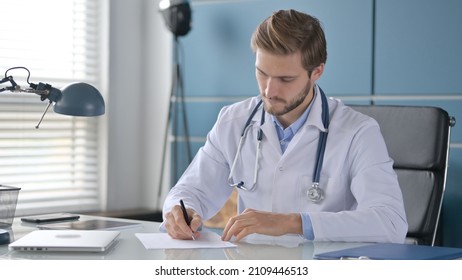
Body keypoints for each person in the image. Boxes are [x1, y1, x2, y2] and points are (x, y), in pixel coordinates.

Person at [161, 9, 408, 243]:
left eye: (285, 79)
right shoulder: (233, 121)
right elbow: (191, 191)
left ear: (317, 72)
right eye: (262, 73)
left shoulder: (358, 132)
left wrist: (294, 223)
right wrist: (181, 212)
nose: (269, 91)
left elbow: (391, 222)